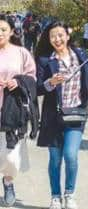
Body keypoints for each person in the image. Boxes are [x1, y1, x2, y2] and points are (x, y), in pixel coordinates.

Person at [36, 22, 88, 209]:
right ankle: (55, 196)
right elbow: (37, 88)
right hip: (53, 117)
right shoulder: (45, 60)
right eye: (53, 36)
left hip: (75, 115)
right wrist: (50, 82)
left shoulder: (81, 55)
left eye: (60, 35)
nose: (57, 39)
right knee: (55, 159)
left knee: (70, 155)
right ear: (49, 39)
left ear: (67, 36)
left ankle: (69, 194)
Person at [0, 16, 36, 206]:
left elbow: (32, 77)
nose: (0, 33)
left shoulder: (21, 53)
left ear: (12, 31)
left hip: (14, 109)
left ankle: (8, 181)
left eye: (3, 29)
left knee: (11, 155)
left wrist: (18, 81)